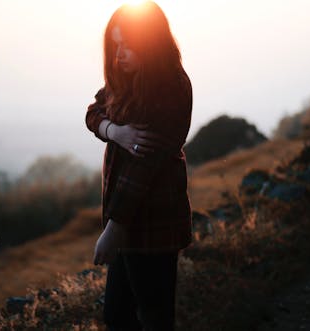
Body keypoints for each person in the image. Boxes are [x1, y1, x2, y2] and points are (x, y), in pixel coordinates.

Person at [85, 2, 193, 330]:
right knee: (119, 316)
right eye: (115, 45)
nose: (119, 55)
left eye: (128, 44)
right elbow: (93, 112)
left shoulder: (170, 87)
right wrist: (114, 131)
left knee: (154, 315)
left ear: (150, 40)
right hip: (129, 223)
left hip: (154, 222)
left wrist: (112, 230)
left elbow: (141, 169)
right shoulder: (127, 79)